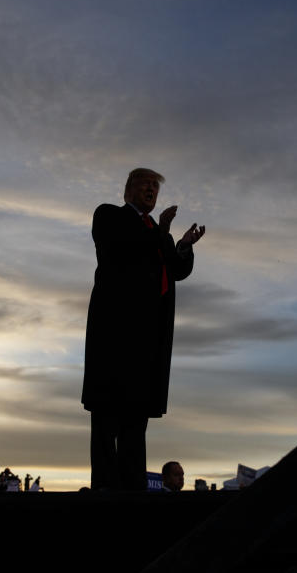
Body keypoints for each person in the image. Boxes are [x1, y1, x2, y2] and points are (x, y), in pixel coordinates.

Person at [82, 168, 205, 490]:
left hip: (148, 339)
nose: (151, 189)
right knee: (108, 415)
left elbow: (176, 270)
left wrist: (183, 245)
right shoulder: (110, 215)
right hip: (115, 334)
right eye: (144, 183)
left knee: (136, 418)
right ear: (127, 190)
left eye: (155, 186)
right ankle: (106, 490)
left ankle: (134, 489)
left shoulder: (155, 230)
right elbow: (123, 246)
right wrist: (161, 230)